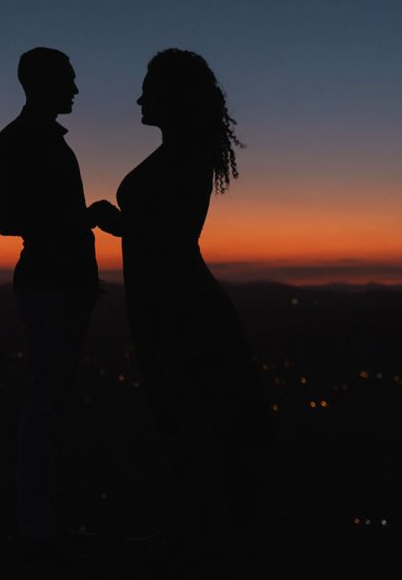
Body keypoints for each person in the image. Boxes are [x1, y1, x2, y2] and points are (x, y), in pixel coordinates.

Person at [90, 49, 272, 562]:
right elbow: (162, 229)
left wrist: (118, 221)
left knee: (189, 422)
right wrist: (120, 223)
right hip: (165, 301)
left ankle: (206, 539)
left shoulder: (186, 153)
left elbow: (173, 233)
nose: (140, 97)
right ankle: (194, 529)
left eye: (149, 88)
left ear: (171, 96)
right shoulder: (181, 150)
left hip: (179, 305)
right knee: (181, 421)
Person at [0, 48, 99, 549]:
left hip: (61, 287)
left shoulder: (41, 140)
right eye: (69, 81)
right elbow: (9, 221)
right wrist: (85, 218)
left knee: (50, 407)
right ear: (43, 82)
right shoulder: (19, 140)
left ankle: (43, 520)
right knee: (43, 409)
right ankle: (37, 528)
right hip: (49, 287)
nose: (76, 90)